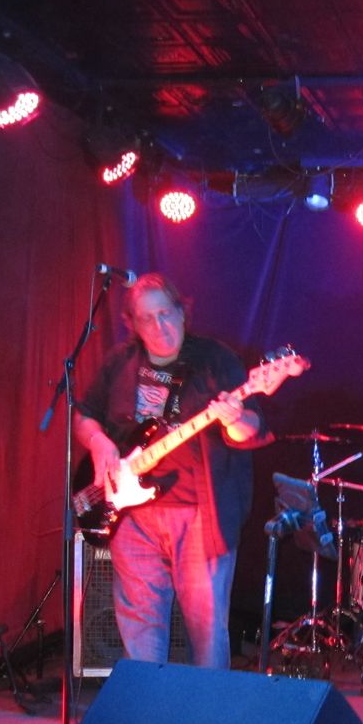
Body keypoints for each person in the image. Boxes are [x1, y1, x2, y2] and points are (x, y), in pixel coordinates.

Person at [74, 272, 268, 669]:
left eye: (165, 313)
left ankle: (205, 708)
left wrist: (233, 418)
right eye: (147, 318)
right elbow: (85, 416)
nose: (159, 325)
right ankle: (149, 706)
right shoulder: (120, 362)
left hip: (200, 516)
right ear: (132, 323)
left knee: (207, 629)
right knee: (139, 627)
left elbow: (251, 428)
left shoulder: (215, 361)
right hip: (132, 517)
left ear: (182, 312)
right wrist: (98, 443)